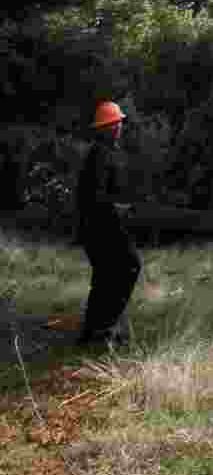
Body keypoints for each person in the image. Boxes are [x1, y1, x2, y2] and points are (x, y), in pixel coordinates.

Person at [75, 100, 141, 349]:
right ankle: (106, 327)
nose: (120, 128)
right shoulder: (101, 155)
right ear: (110, 128)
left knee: (105, 278)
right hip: (100, 229)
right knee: (129, 266)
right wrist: (121, 209)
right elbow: (96, 198)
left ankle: (94, 332)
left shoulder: (103, 153)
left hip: (99, 227)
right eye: (117, 124)